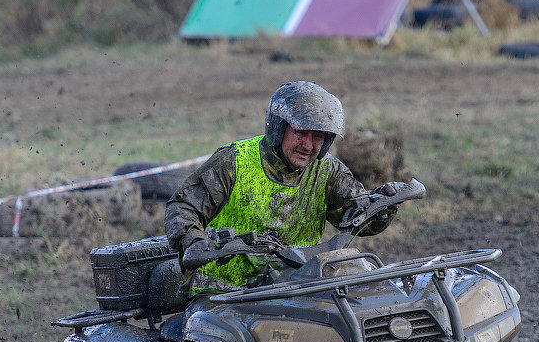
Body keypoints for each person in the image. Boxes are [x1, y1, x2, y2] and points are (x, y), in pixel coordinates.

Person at [165, 81, 403, 295]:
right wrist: (193, 241)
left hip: (294, 289)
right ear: (278, 129)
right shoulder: (234, 161)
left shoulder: (328, 171)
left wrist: (382, 206)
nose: (308, 145)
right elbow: (183, 207)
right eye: (300, 133)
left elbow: (357, 219)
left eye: (318, 136)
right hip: (222, 294)